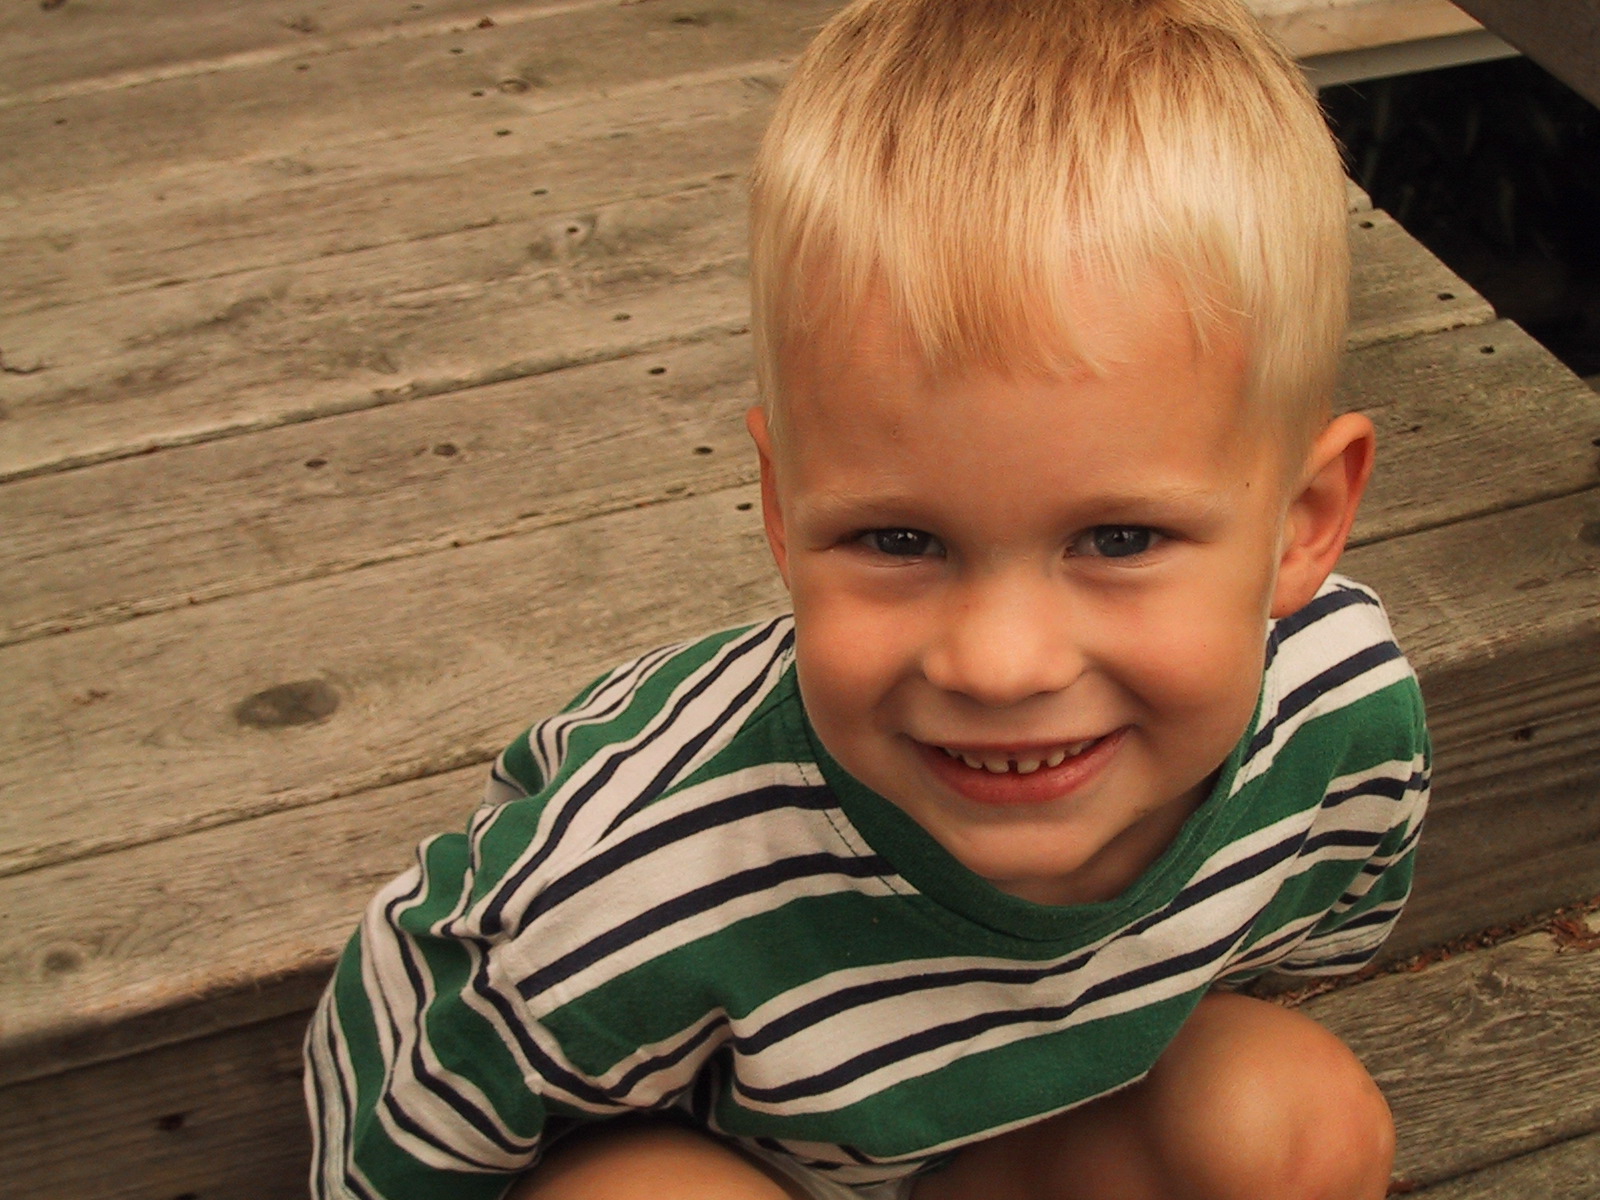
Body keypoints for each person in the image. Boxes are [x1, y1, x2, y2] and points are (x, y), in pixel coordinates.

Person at [304, 1, 1430, 1197]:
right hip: (723, 1157)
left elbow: (1274, 970)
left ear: (1303, 522)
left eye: (1118, 538)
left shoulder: (1340, 716)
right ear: (783, 510)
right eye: (900, 539)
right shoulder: (635, 879)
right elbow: (409, 1086)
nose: (999, 665)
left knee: (1288, 1122)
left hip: (987, 1137)